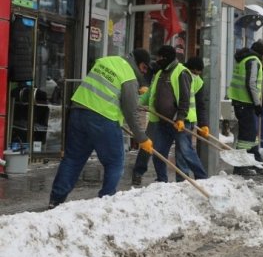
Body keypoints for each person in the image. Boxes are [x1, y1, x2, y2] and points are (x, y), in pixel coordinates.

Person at [48, 49, 153, 208]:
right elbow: (131, 112)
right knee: (115, 162)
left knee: (72, 159)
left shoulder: (106, 61)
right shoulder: (129, 77)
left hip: (78, 111)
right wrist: (142, 138)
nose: (144, 72)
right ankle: (106, 201)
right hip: (103, 119)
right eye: (144, 68)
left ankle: (55, 200)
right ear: (138, 63)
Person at [145, 45, 207, 183]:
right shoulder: (160, 73)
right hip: (163, 121)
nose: (157, 60)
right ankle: (161, 181)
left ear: (167, 58)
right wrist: (139, 102)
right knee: (158, 153)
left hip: (179, 121)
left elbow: (185, 98)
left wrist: (180, 118)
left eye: (160, 58)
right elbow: (152, 94)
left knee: (185, 153)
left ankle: (202, 179)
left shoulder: (182, 73)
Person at [228, 41, 263, 171]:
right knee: (246, 136)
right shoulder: (254, 61)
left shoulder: (243, 59)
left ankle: (255, 160)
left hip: (239, 101)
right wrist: (257, 104)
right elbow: (251, 83)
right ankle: (240, 166)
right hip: (246, 103)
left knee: (251, 133)